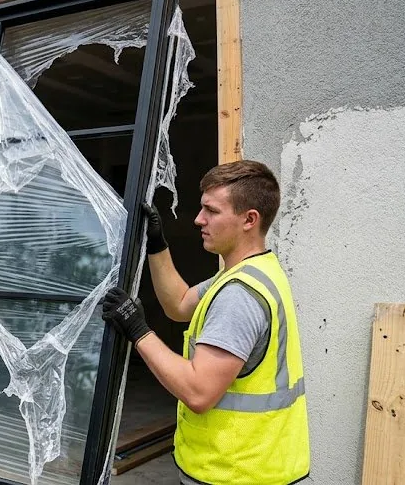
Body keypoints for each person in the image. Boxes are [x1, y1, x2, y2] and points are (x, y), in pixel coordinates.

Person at [101, 160, 309, 484]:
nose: (199, 219)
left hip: (237, 473)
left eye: (211, 211)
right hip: (253, 467)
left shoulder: (239, 295)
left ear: (249, 220)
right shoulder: (248, 272)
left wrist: (137, 330)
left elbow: (198, 392)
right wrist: (157, 244)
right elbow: (179, 303)